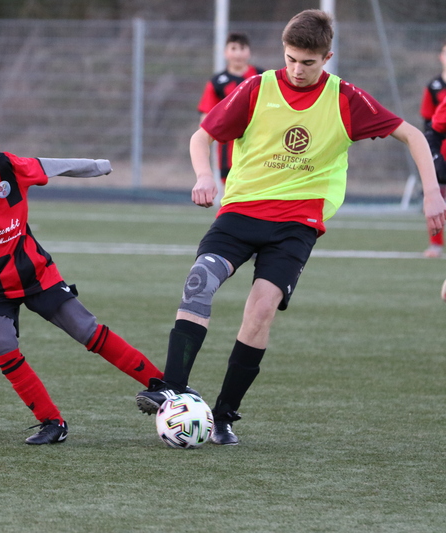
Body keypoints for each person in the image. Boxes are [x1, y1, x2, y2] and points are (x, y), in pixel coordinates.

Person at [136, 9, 446, 446]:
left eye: (308, 62)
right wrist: (205, 176)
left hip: (296, 225)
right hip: (241, 212)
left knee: (260, 309)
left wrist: (432, 193)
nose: (297, 70)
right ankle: (172, 387)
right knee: (199, 281)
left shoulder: (345, 98)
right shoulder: (257, 87)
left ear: (327, 57)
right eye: (290, 59)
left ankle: (223, 416)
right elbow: (201, 136)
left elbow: (413, 135)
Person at [0, 116, 164, 445]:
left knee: (85, 329)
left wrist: (98, 166)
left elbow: (55, 166)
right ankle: (53, 422)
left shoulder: (6, 166)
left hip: (34, 272)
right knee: (3, 346)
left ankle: (162, 385)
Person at [197, 32, 263, 183]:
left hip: (258, 143)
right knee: (230, 192)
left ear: (249, 51)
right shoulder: (217, 82)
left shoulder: (262, 77)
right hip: (228, 147)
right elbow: (206, 117)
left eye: (242, 48)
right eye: (233, 48)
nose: (238, 53)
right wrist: (204, 144)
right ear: (225, 52)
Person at [420, 42, 446, 257]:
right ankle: (435, 243)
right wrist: (433, 156)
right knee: (437, 197)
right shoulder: (434, 86)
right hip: (442, 153)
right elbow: (431, 128)